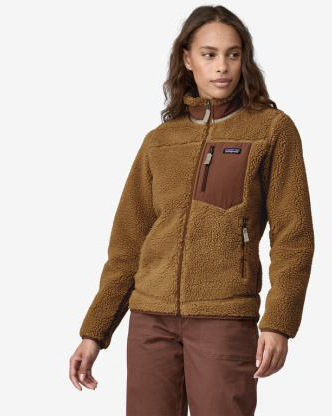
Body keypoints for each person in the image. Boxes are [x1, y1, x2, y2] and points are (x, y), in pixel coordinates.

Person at [69, 5, 315, 416]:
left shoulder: (272, 129)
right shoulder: (160, 141)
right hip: (150, 320)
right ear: (187, 58)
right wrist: (94, 332)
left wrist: (279, 322)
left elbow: (294, 235)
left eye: (233, 54)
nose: (222, 67)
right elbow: (128, 246)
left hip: (223, 317)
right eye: (209, 54)